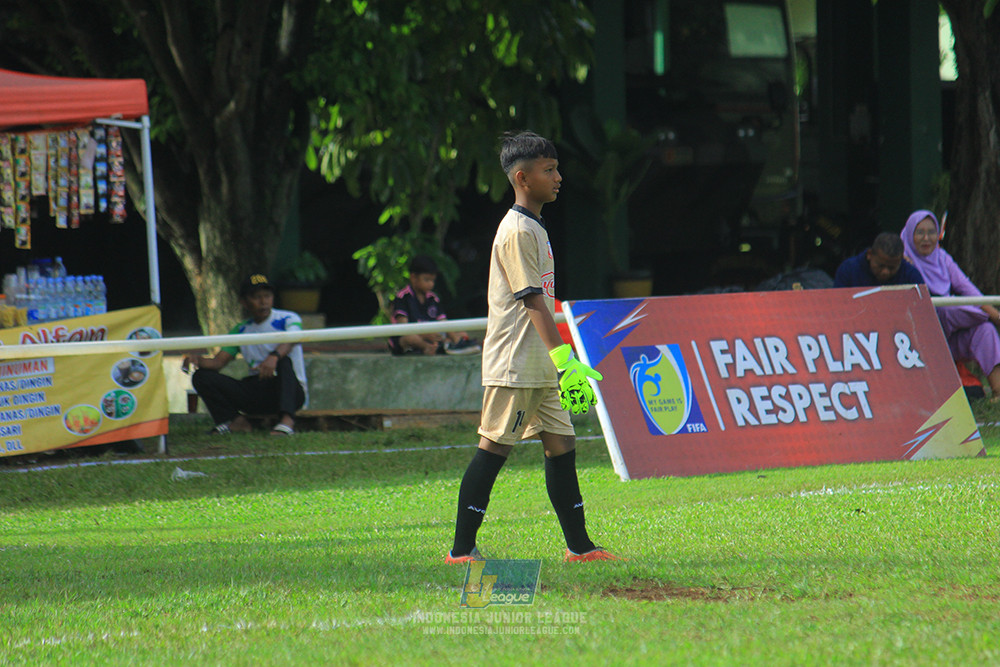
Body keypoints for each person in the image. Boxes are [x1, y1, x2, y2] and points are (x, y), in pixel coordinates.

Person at [446, 131, 618, 564]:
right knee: (494, 449)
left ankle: (579, 548)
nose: (559, 177)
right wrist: (566, 360)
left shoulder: (535, 226)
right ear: (522, 177)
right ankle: (461, 551)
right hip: (515, 363)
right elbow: (531, 300)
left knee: (562, 445)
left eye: (557, 167)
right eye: (549, 170)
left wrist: (558, 362)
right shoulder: (518, 230)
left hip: (539, 363)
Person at [183, 273, 308, 435]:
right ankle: (234, 421)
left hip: (290, 391)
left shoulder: (288, 318)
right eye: (256, 297)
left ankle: (287, 421)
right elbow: (218, 363)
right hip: (257, 390)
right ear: (244, 302)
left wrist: (274, 357)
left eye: (267, 296)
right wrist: (197, 359)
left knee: (284, 362)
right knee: (201, 376)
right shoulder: (241, 329)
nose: (263, 302)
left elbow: (293, 339)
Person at [901, 210, 1000, 399]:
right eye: (920, 232)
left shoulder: (942, 257)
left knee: (985, 330)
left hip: (948, 338)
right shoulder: (902, 259)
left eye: (931, 232)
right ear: (909, 234)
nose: (926, 238)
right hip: (915, 341)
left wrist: (995, 315)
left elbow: (967, 288)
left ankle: (998, 392)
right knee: (944, 310)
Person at [387, 254, 480, 356]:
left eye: (433, 280)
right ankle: (427, 348)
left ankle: (456, 343)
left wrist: (450, 335)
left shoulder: (433, 298)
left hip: (431, 335)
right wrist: (424, 335)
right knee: (410, 338)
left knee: (461, 333)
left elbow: (443, 322)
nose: (431, 284)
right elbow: (403, 328)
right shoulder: (403, 297)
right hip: (409, 339)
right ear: (413, 277)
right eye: (426, 280)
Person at [833, 232, 925, 287]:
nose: (885, 272)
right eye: (880, 266)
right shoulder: (848, 270)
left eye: (892, 268)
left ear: (901, 260)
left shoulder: (911, 276)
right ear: (869, 255)